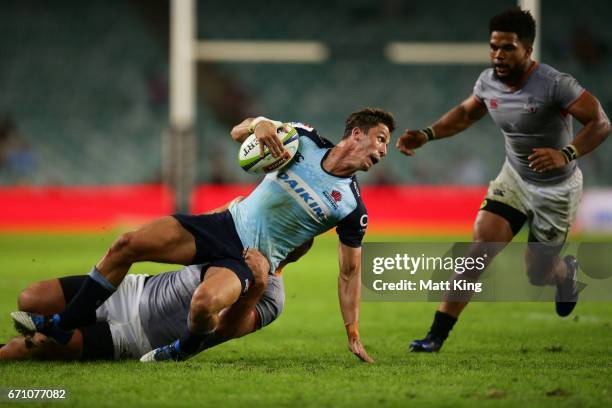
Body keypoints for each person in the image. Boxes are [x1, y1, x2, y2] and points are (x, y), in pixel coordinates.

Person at [12, 108, 395, 362]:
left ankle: (182, 350)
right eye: (380, 139)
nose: (383, 151)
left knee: (205, 301)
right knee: (127, 243)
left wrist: (353, 331)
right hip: (222, 224)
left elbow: (349, 273)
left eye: (387, 146)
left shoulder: (351, 207)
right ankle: (62, 327)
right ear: (356, 134)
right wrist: (259, 124)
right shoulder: (305, 141)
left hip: (247, 259)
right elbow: (239, 131)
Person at [396, 8, 610, 352]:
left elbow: (601, 123)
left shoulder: (556, 84)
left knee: (536, 273)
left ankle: (563, 275)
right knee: (478, 251)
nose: (498, 54)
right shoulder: (488, 81)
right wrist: (427, 134)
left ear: (527, 49)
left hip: (556, 188)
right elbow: (467, 112)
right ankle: (435, 336)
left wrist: (566, 153)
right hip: (513, 177)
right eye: (494, 46)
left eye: (508, 47)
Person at [0, 239, 312, 362]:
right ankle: (55, 322)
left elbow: (226, 329)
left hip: (137, 339)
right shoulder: (239, 241)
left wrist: (257, 284)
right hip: (132, 290)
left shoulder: (272, 299)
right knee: (30, 297)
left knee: (26, 348)